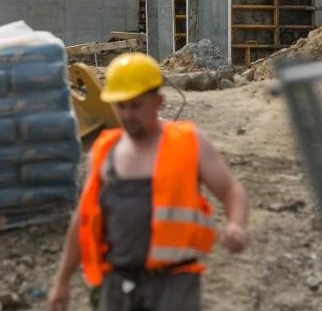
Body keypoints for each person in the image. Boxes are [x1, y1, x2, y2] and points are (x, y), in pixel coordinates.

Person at [49, 52, 248, 311]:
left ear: (159, 101)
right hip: (117, 283)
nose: (128, 114)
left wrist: (236, 224)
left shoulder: (189, 142)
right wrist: (62, 280)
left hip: (174, 285)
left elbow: (231, 190)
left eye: (136, 105)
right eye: (121, 106)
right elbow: (83, 218)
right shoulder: (104, 151)